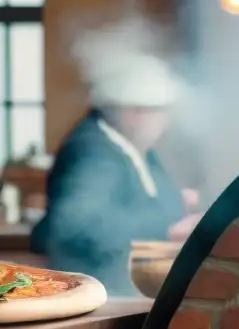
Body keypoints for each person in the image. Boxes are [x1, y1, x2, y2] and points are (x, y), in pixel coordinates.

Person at [31, 53, 201, 295]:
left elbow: (154, 199)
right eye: (160, 112)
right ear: (131, 113)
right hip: (99, 291)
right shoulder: (93, 152)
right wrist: (169, 227)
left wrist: (180, 202)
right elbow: (76, 225)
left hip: (124, 286)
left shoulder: (137, 148)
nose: (165, 122)